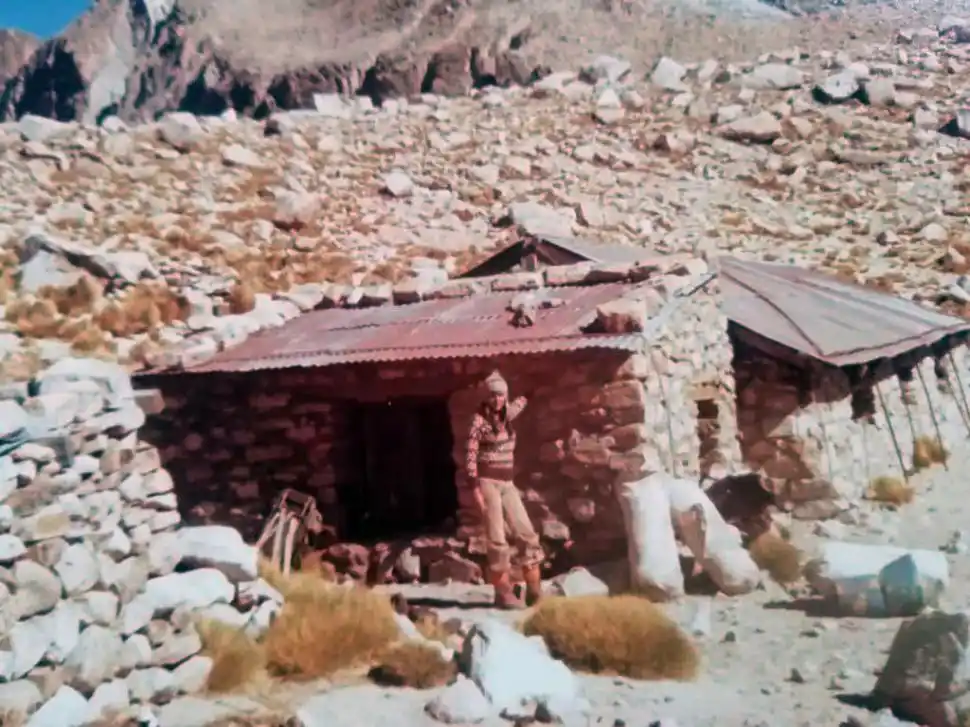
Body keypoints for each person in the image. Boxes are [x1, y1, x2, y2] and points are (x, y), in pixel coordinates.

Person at [465, 370, 544, 609]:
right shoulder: (479, 421)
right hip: (488, 482)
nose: (497, 399)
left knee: (526, 532)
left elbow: (522, 401)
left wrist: (533, 385)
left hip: (508, 483)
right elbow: (470, 455)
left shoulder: (507, 415)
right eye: (493, 395)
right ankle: (503, 592)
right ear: (487, 397)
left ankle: (534, 588)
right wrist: (475, 490)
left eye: (500, 395)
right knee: (497, 537)